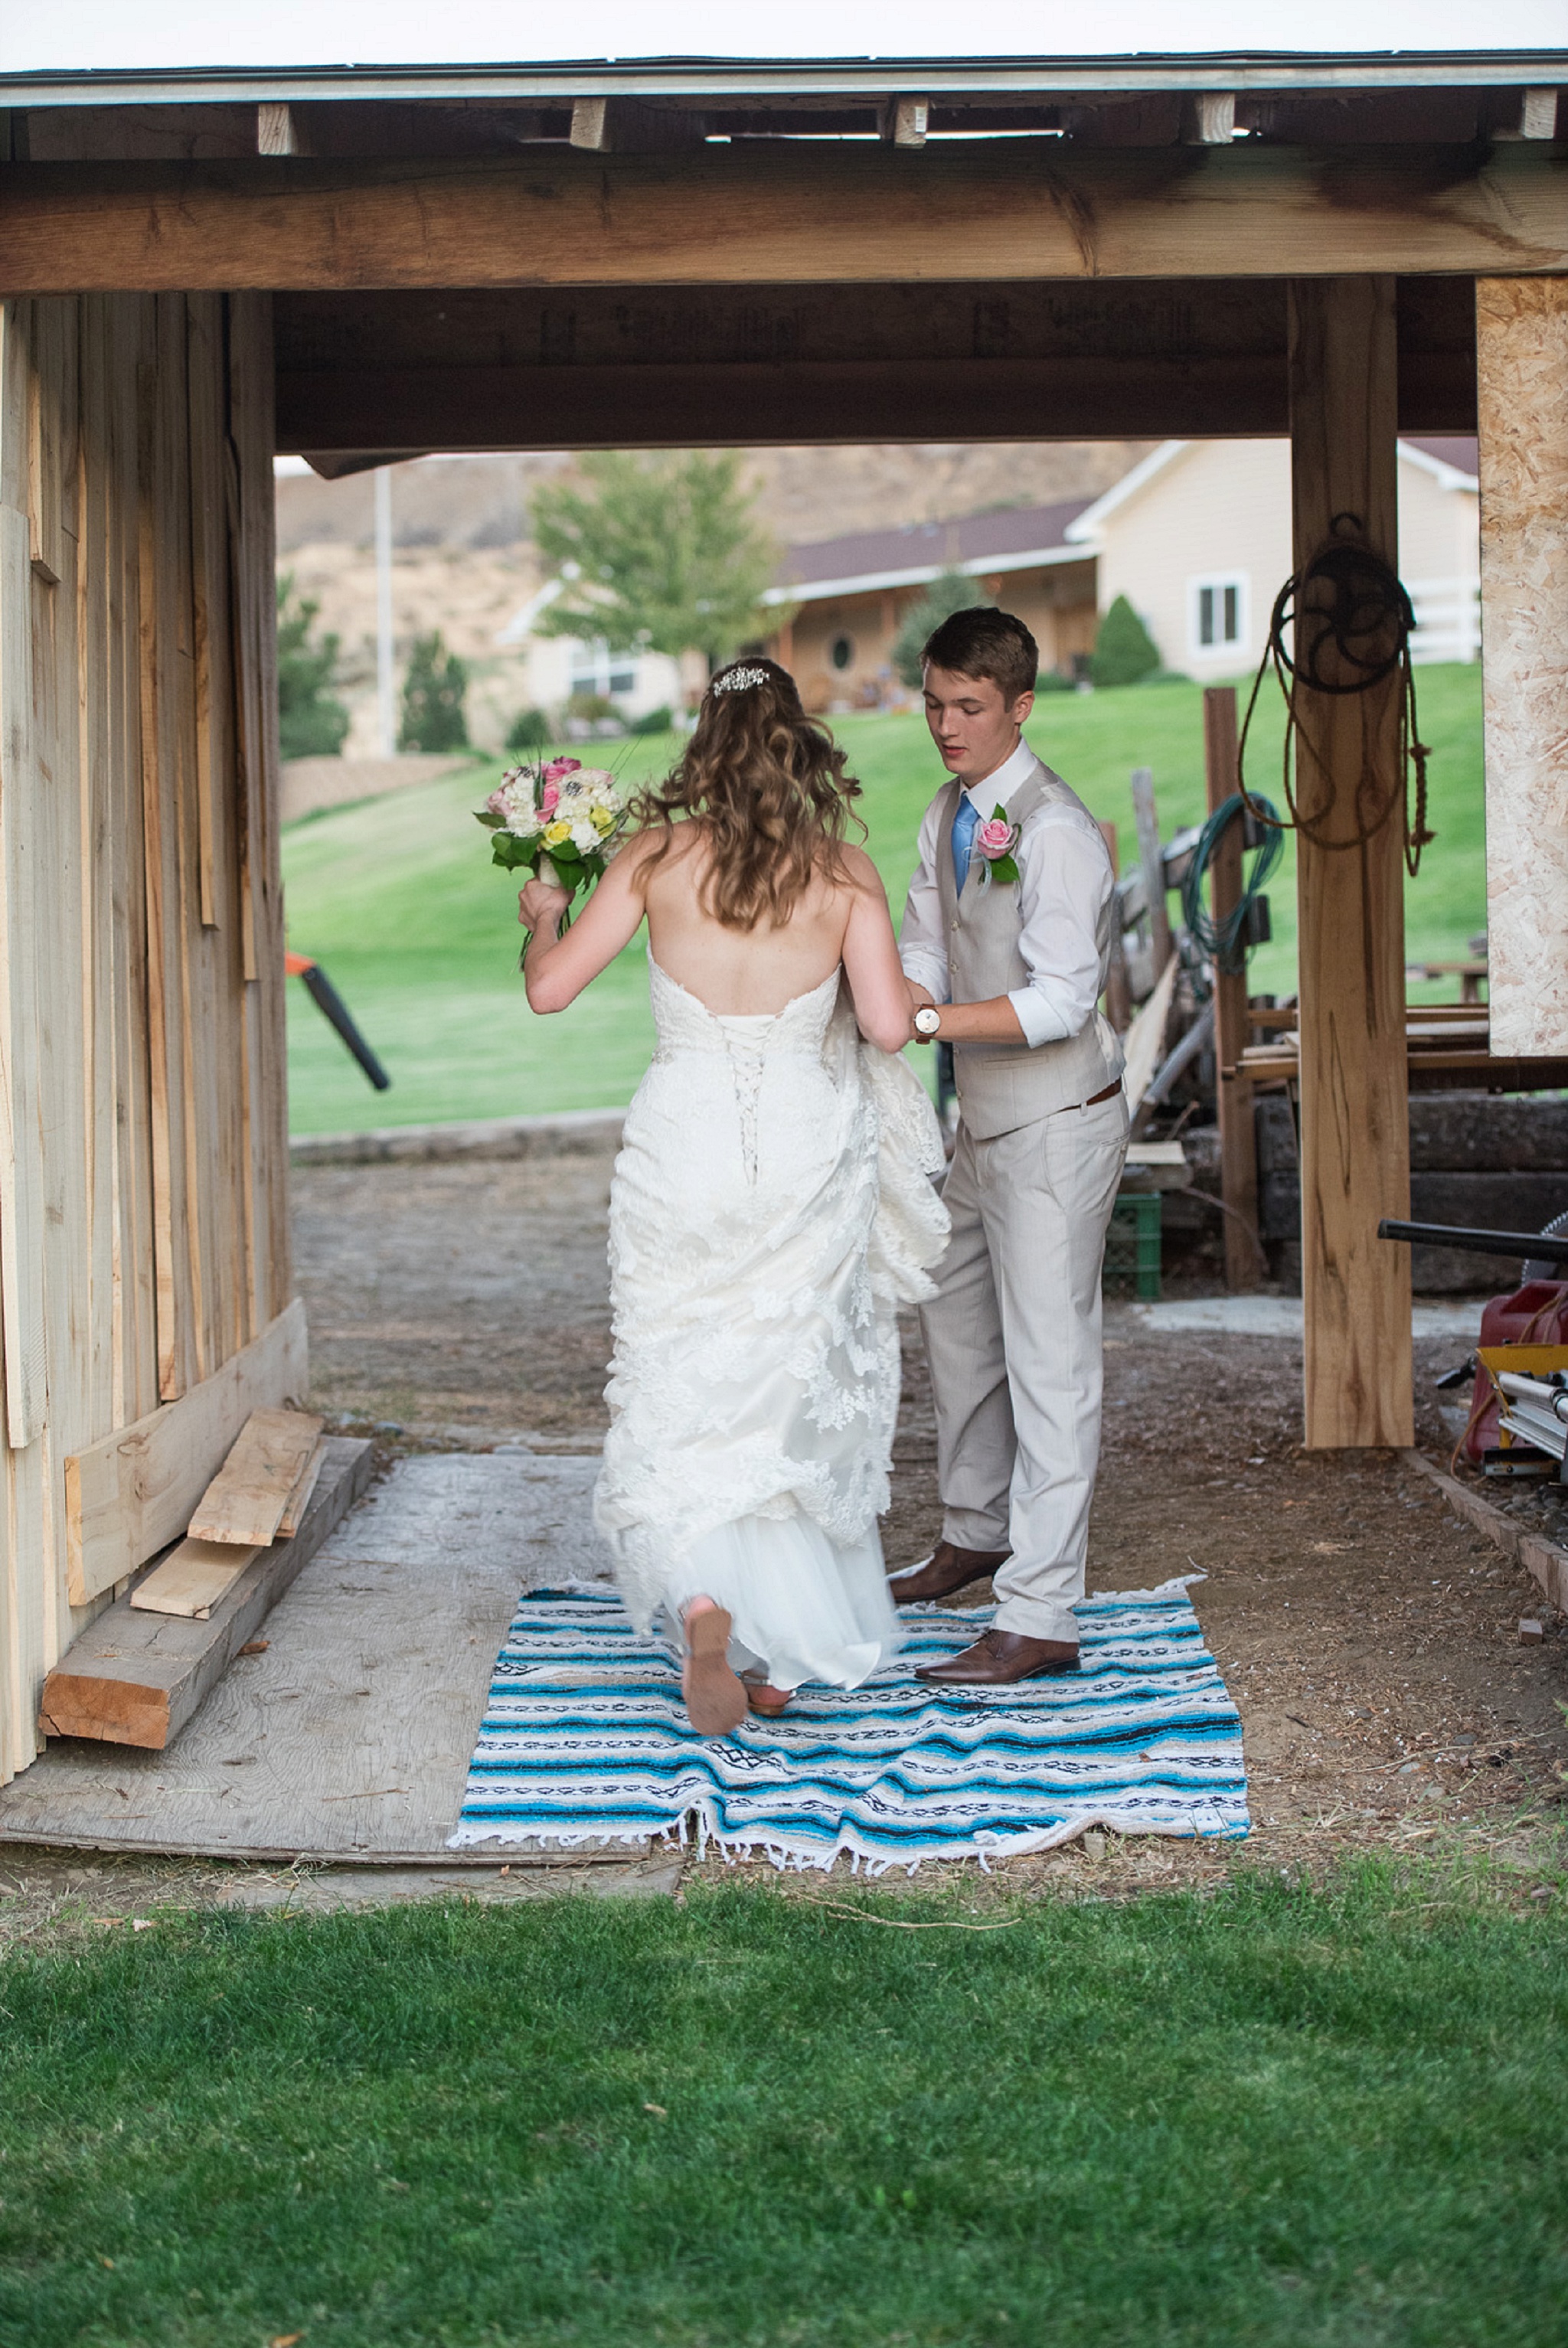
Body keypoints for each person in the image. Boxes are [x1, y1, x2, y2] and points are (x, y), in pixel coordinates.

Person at [518, 660, 949, 1737]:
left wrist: (543, 909)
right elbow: (891, 1029)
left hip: (685, 1144)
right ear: (799, 743)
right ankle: (778, 1659)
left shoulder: (654, 857)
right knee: (785, 1386)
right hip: (804, 1150)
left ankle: (704, 1603)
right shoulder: (843, 871)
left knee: (676, 1376)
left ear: (704, 744)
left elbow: (549, 989)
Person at [894, 607, 1129, 1685]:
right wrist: (902, 994)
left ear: (1020, 707)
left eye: (969, 707)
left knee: (1051, 1359)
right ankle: (977, 1532)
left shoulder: (1056, 831)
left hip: (1056, 1121)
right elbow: (926, 940)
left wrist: (928, 1024)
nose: (946, 724)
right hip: (977, 1120)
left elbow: (1063, 1002)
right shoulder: (949, 809)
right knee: (957, 1331)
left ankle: (1041, 1614)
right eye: (935, 703)